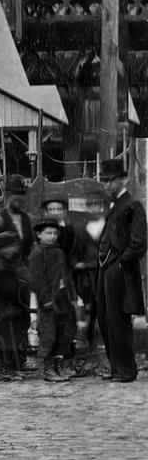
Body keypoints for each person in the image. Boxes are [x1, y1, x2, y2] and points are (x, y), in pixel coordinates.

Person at [96, 157, 147, 382]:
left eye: (111, 181)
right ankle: (116, 368)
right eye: (104, 181)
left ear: (123, 179)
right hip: (105, 268)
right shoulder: (114, 205)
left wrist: (119, 263)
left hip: (119, 270)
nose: (107, 185)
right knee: (105, 319)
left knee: (118, 321)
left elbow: (139, 243)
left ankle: (126, 370)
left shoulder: (132, 205)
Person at [42, 195, 98, 354]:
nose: (55, 212)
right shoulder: (42, 231)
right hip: (52, 279)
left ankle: (75, 348)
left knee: (75, 314)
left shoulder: (75, 229)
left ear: (64, 211)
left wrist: (83, 263)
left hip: (75, 277)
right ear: (46, 212)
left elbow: (89, 250)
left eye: (58, 209)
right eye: (51, 209)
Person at [27, 213, 77, 382]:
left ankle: (58, 367)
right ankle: (48, 370)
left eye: (55, 233)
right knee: (49, 334)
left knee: (64, 333)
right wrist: (45, 298)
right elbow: (36, 279)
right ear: (39, 234)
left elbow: (66, 275)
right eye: (48, 233)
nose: (52, 236)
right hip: (48, 301)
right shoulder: (36, 254)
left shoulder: (59, 252)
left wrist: (72, 295)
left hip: (63, 299)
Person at [0, 231, 30, 381]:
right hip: (6, 309)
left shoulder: (12, 263)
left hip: (14, 310)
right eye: (7, 247)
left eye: (13, 246)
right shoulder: (0, 268)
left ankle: (13, 366)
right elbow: (10, 289)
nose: (11, 250)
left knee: (14, 339)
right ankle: (4, 369)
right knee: (5, 341)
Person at [0, 174, 35, 263]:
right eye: (15, 193)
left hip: (23, 271)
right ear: (7, 194)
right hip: (4, 271)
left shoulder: (28, 219)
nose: (18, 197)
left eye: (22, 193)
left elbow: (32, 246)